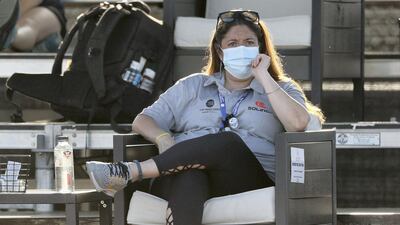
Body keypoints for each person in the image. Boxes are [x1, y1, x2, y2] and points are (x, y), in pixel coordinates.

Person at [86, 9, 325, 225]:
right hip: (178, 174)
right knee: (190, 174)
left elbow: (299, 123)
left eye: (249, 43)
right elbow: (143, 120)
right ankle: (130, 172)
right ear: (220, 51)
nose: (240, 48)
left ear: (260, 50)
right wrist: (162, 138)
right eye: (232, 43)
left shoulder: (280, 88)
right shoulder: (193, 86)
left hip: (245, 179)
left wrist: (263, 76)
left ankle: (129, 172)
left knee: (227, 141)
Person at [0, 0, 66, 52]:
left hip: (45, 6)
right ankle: (8, 34)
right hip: (9, 14)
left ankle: (10, 35)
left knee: (29, 24)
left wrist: (9, 21)